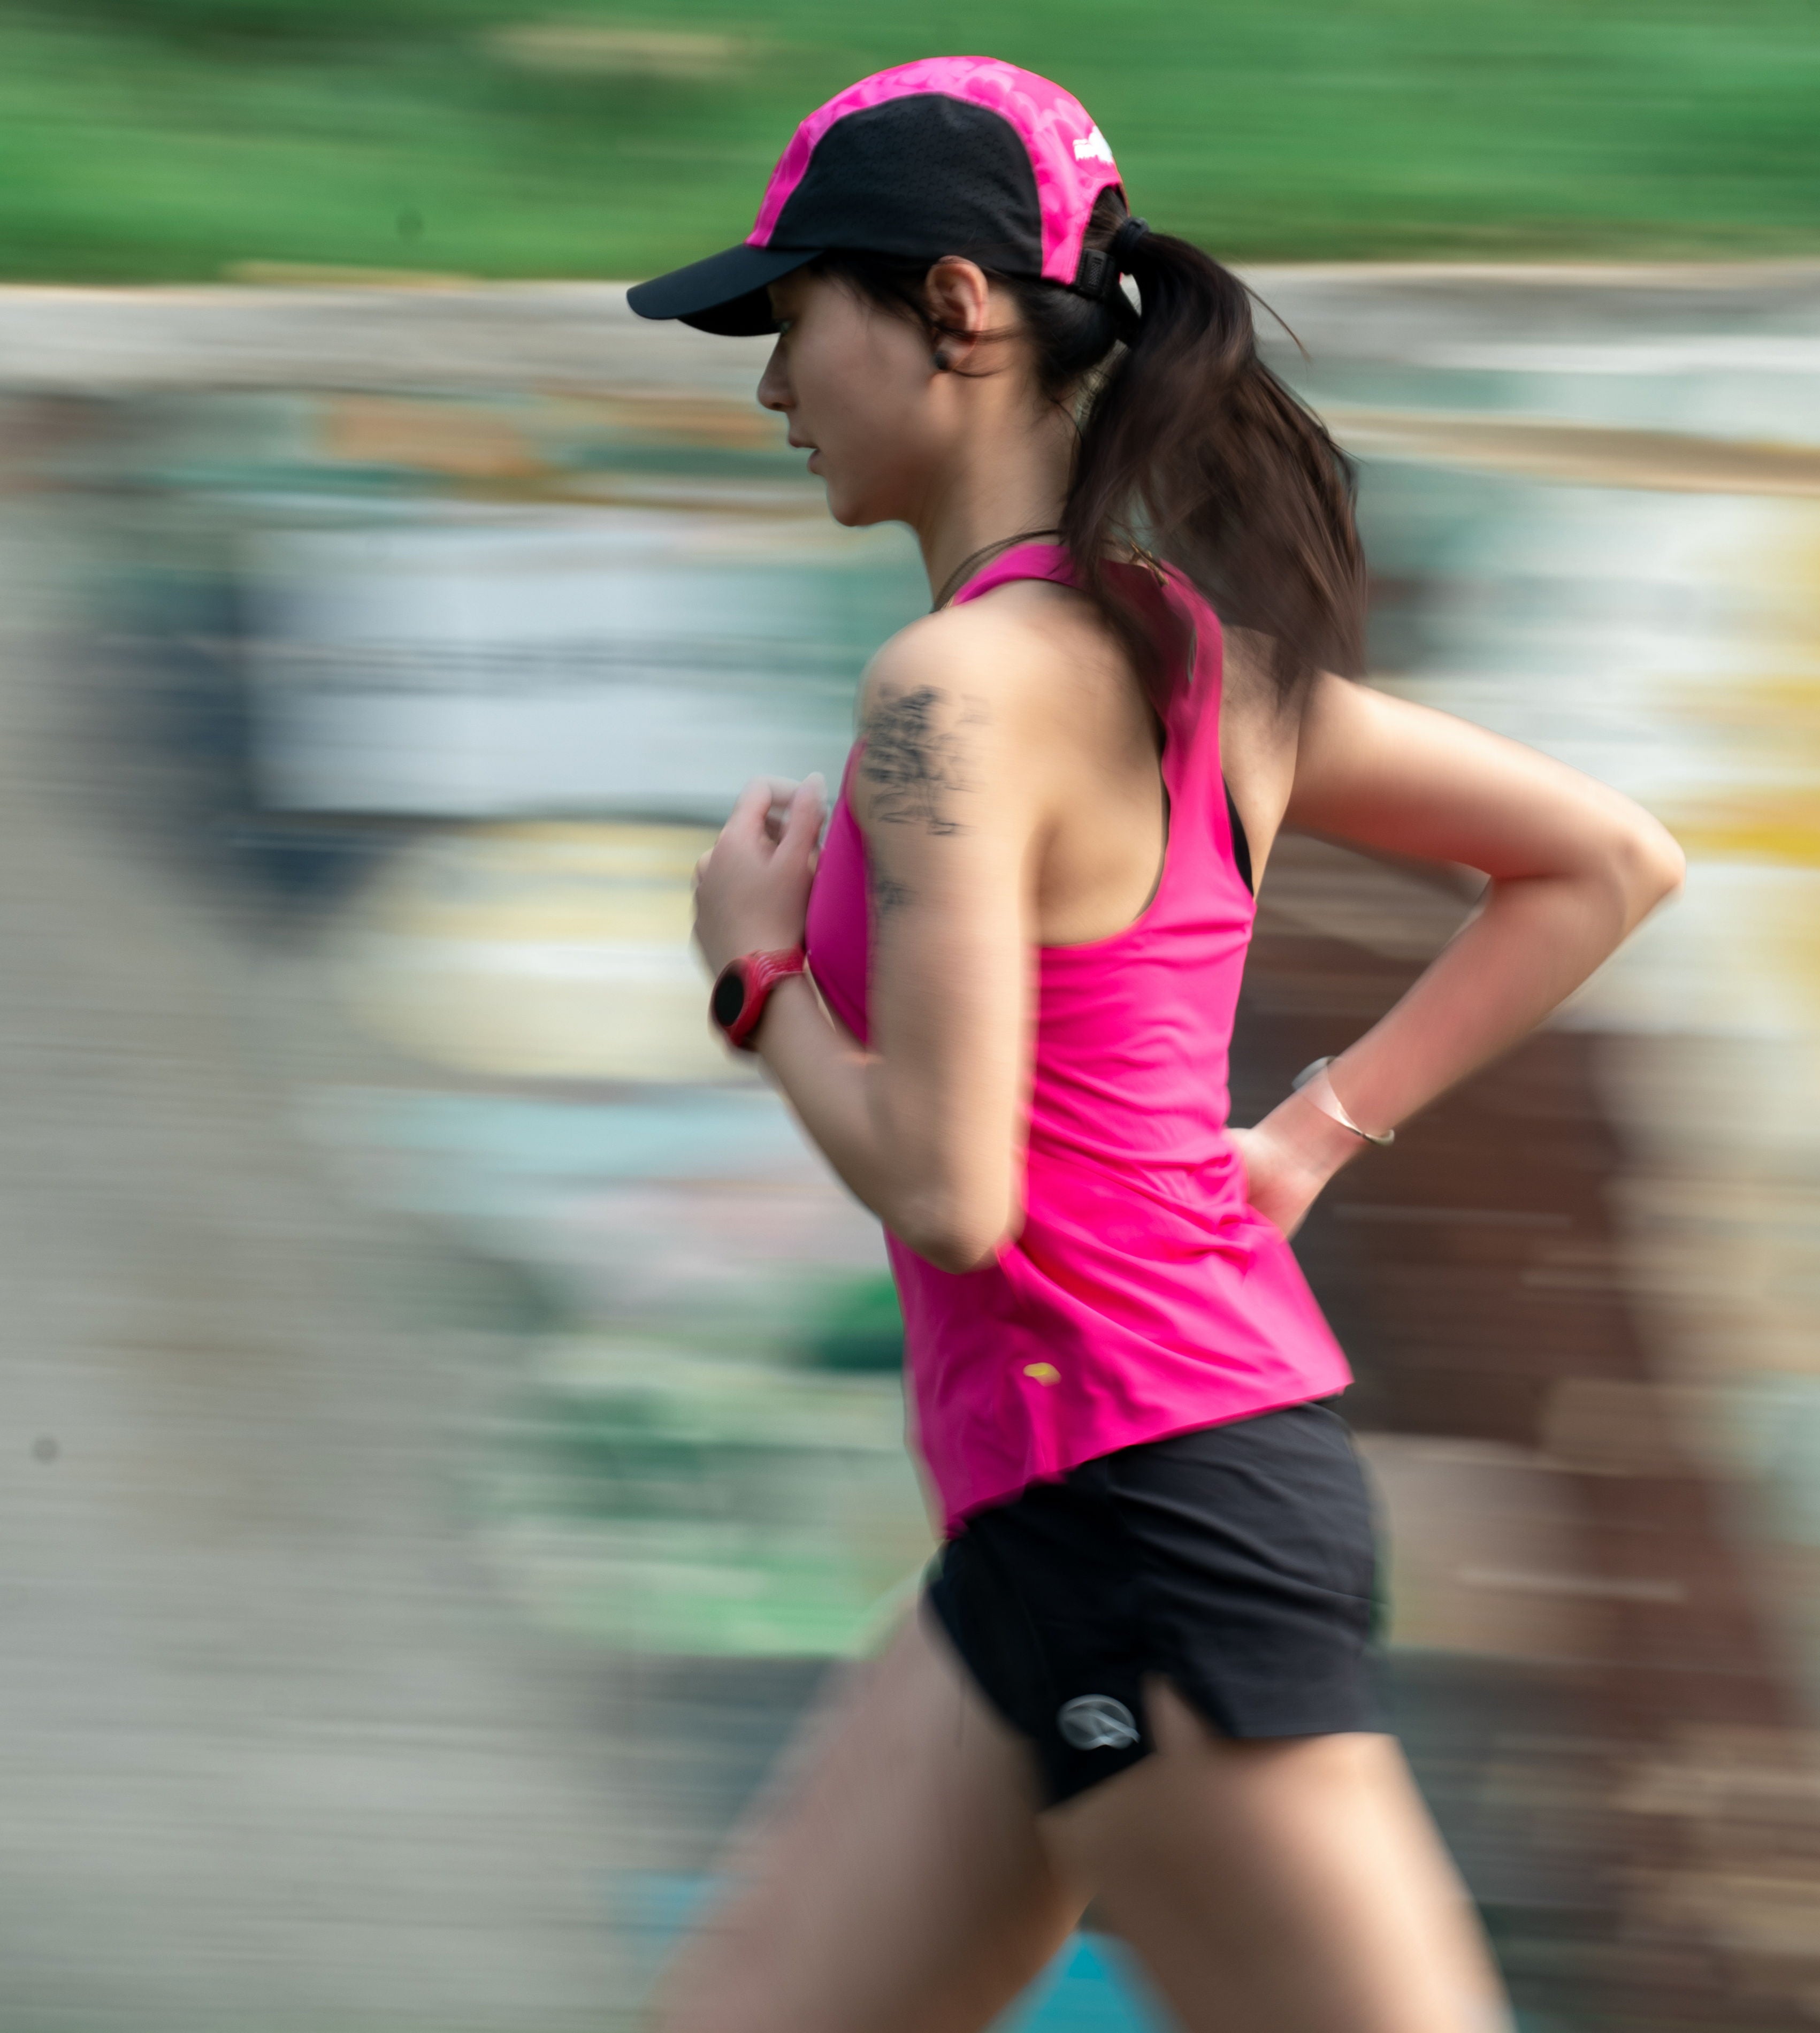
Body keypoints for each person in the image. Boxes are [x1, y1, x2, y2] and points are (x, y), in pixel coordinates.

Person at [628, 55, 1683, 2033]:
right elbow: (1600, 861)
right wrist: (1308, 1137)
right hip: (1045, 1524)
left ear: (950, 307)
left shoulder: (951, 691)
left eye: (791, 321)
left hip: (1153, 1520)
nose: (769, 387)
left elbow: (950, 1191)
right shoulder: (1200, 664)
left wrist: (756, 978)